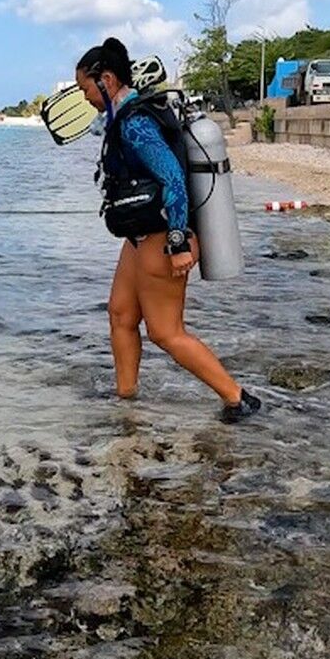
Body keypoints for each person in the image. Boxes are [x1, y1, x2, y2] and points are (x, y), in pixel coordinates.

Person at [76, 36, 261, 424]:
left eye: (86, 89)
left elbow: (174, 179)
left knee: (165, 332)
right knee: (121, 315)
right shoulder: (123, 116)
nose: (85, 98)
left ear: (106, 80)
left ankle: (237, 398)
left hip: (161, 235)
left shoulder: (135, 123)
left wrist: (179, 240)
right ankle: (126, 401)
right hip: (139, 236)